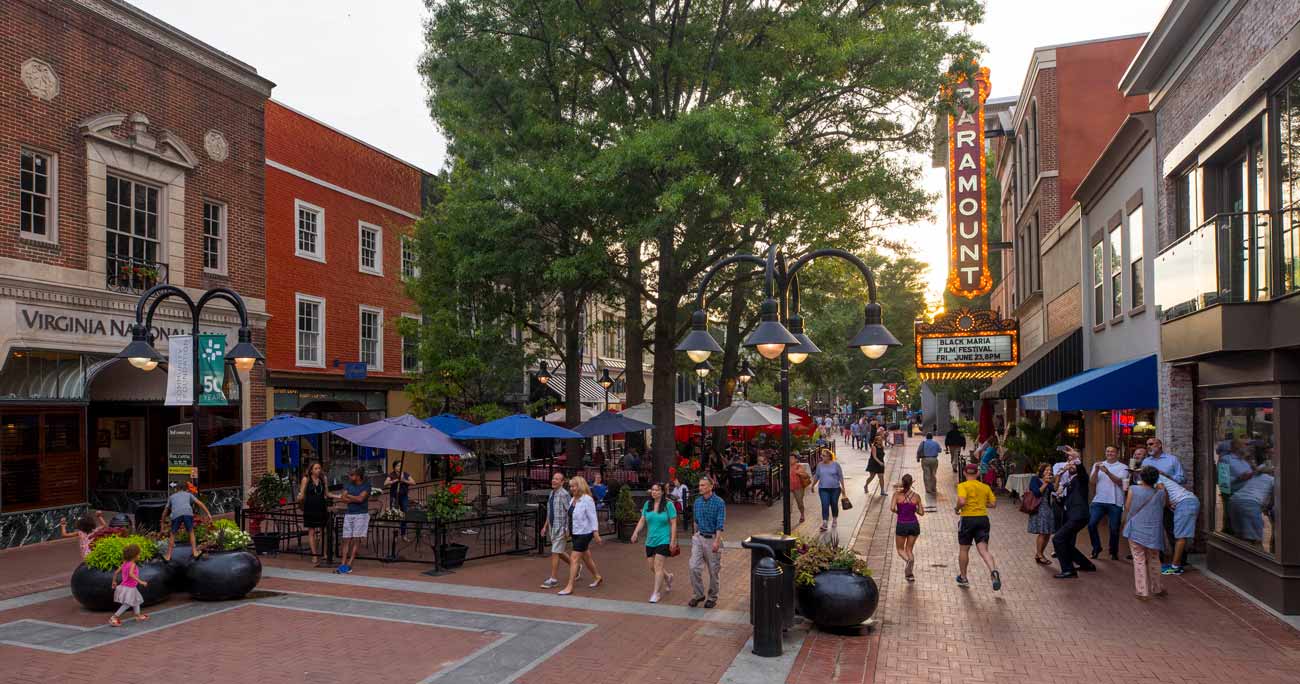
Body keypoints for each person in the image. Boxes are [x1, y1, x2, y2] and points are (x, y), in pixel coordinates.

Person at [1121, 466, 1167, 600]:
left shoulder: (1133, 489)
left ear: (1141, 477)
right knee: (1154, 558)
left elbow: (1128, 507)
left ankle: (1142, 591)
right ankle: (1157, 587)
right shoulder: (1161, 492)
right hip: (1153, 530)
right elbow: (1163, 505)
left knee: (1139, 559)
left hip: (1136, 528)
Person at [954, 464, 1001, 590]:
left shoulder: (962, 486)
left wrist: (957, 508)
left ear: (964, 473)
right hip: (982, 518)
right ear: (977, 473)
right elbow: (993, 503)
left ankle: (963, 577)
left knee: (964, 549)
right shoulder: (985, 487)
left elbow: (962, 501)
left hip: (967, 519)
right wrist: (981, 503)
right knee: (984, 550)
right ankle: (993, 571)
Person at [630, 482, 678, 603]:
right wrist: (635, 532)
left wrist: (672, 540)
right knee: (652, 567)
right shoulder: (648, 504)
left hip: (664, 539)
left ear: (662, 492)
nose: (654, 492)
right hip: (650, 540)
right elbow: (642, 520)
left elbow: (673, 523)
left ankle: (656, 593)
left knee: (658, 566)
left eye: (657, 490)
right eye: (652, 490)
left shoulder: (669, 505)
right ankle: (668, 577)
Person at [1052, 461, 1097, 578]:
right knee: (1065, 542)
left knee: (1057, 539)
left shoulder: (1081, 479)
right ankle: (1086, 565)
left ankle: (1068, 570)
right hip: (1072, 516)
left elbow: (1082, 471)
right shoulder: (1070, 482)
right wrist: (1058, 497)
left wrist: (1077, 460)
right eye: (1069, 464)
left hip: (1079, 516)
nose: (1071, 466)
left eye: (1074, 465)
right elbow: (1066, 503)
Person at [558, 475, 602, 595]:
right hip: (575, 532)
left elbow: (593, 517)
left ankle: (570, 586)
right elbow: (570, 517)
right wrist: (567, 530)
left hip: (584, 533)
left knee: (574, 558)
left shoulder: (587, 499)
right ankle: (597, 576)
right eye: (570, 486)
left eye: (574, 486)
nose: (571, 488)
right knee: (586, 557)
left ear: (580, 486)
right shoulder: (573, 499)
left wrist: (596, 532)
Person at [689, 476, 726, 608]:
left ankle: (712, 597)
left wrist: (717, 541)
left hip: (712, 539)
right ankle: (698, 595)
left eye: (703, 485)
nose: (700, 488)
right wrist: (695, 535)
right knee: (693, 567)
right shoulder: (697, 502)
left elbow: (720, 523)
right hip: (699, 537)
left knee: (713, 570)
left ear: (711, 487)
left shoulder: (719, 502)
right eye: (700, 485)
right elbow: (695, 521)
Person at [1087, 446, 1130, 560]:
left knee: (1114, 528)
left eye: (1112, 451)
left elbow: (1120, 482)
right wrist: (1096, 470)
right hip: (1099, 500)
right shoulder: (1098, 465)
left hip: (1115, 502)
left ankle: (1113, 551)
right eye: (1108, 451)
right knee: (1091, 524)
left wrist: (1107, 472)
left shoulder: (1124, 467)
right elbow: (1092, 482)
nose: (1109, 453)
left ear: (1117, 453)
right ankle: (1096, 548)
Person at [540, 471, 577, 588]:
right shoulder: (552, 493)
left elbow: (569, 512)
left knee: (555, 551)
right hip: (552, 527)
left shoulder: (564, 494)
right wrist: (545, 526)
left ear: (562, 482)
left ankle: (553, 579)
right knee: (559, 552)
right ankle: (576, 566)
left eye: (557, 479)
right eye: (553, 478)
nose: (554, 480)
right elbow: (550, 512)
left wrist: (567, 529)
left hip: (561, 527)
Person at [160, 481, 212, 562]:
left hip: (176, 514)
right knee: (191, 532)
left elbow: (165, 511)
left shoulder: (172, 497)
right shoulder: (188, 494)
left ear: (176, 489)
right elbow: (200, 503)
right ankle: (195, 552)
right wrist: (208, 513)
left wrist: (162, 522)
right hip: (187, 512)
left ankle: (168, 556)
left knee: (173, 534)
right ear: (185, 489)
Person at [1158, 473, 1200, 575]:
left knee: (1180, 536)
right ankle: (1176, 564)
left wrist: (1167, 504)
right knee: (1179, 535)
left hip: (1186, 502)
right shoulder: (1158, 476)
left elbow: (1163, 490)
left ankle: (1175, 567)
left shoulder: (1155, 478)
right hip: (1185, 502)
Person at [1228, 463, 1274, 548]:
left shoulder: (1254, 477)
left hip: (1234, 501)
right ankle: (1259, 561)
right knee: (1256, 540)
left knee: (1239, 536)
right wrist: (1267, 509)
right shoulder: (1272, 480)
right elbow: (1274, 499)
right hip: (1250, 504)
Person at [337, 468, 371, 575]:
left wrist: (350, 496)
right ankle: (343, 563)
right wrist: (354, 498)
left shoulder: (366, 485)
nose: (350, 476)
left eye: (352, 475)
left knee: (356, 539)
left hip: (361, 514)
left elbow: (361, 499)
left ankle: (350, 564)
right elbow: (343, 497)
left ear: (358, 476)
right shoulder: (349, 484)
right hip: (349, 513)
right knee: (346, 539)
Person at [892, 474, 923, 582]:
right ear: (912, 483)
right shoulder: (917, 496)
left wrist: (899, 511)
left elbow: (892, 508)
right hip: (914, 524)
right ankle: (909, 574)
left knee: (900, 549)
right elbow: (921, 512)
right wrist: (914, 510)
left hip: (902, 524)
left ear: (903, 482)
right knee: (909, 549)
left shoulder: (897, 495)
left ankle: (908, 561)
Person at [108, 542, 149, 627]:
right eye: (139, 554)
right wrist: (141, 582)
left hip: (127, 587)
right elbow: (131, 574)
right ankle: (114, 617)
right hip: (129, 588)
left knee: (136, 600)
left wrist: (114, 582)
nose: (139, 556)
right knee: (128, 604)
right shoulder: (133, 564)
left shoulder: (125, 563)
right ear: (135, 555)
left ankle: (138, 615)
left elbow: (116, 572)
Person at [297, 461, 329, 566]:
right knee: (312, 531)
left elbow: (327, 493)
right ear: (311, 470)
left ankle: (324, 553)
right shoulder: (306, 479)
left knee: (323, 531)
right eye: (316, 468)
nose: (318, 470)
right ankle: (314, 555)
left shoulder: (323, 479)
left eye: (319, 468)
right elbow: (302, 494)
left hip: (321, 506)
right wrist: (299, 498)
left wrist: (339, 496)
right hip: (310, 507)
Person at [1026, 463, 1055, 565]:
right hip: (1038, 508)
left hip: (1048, 508)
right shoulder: (1035, 479)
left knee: (1047, 532)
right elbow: (1037, 493)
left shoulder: (1049, 481)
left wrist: (1058, 478)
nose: (1049, 472)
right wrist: (1046, 483)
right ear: (1042, 471)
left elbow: (1054, 490)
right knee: (1042, 532)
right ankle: (1040, 554)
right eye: (1046, 470)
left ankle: (1039, 554)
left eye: (1050, 470)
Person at [811, 448, 846, 533]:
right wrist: (813, 485)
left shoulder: (836, 465)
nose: (822, 457)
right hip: (823, 489)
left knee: (834, 503)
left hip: (835, 489)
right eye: (821, 455)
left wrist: (843, 488)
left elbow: (840, 476)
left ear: (829, 456)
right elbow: (817, 476)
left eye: (824, 455)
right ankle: (825, 522)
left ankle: (834, 519)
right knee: (825, 504)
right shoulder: (820, 465)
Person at [384, 461, 415, 540]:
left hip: (404, 497)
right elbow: (385, 483)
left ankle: (403, 534)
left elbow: (413, 482)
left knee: (404, 515)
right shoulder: (392, 474)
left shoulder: (405, 474)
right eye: (398, 466)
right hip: (394, 497)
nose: (399, 467)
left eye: (401, 465)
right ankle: (395, 534)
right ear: (394, 467)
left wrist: (404, 480)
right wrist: (395, 480)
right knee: (395, 515)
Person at [789, 454, 811, 524]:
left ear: (796, 460)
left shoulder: (799, 466)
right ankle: (787, 517)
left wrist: (798, 472)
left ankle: (802, 515)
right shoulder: (786, 466)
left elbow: (804, 474)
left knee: (800, 503)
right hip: (789, 488)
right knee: (789, 503)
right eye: (789, 458)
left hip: (798, 488)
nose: (790, 460)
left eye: (792, 458)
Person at [864, 432, 887, 496]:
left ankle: (882, 491)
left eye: (881, 440)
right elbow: (874, 456)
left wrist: (881, 462)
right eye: (879, 440)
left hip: (881, 464)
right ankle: (866, 485)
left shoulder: (882, 447)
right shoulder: (874, 447)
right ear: (876, 441)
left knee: (881, 477)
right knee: (872, 476)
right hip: (874, 463)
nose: (880, 441)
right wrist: (880, 462)